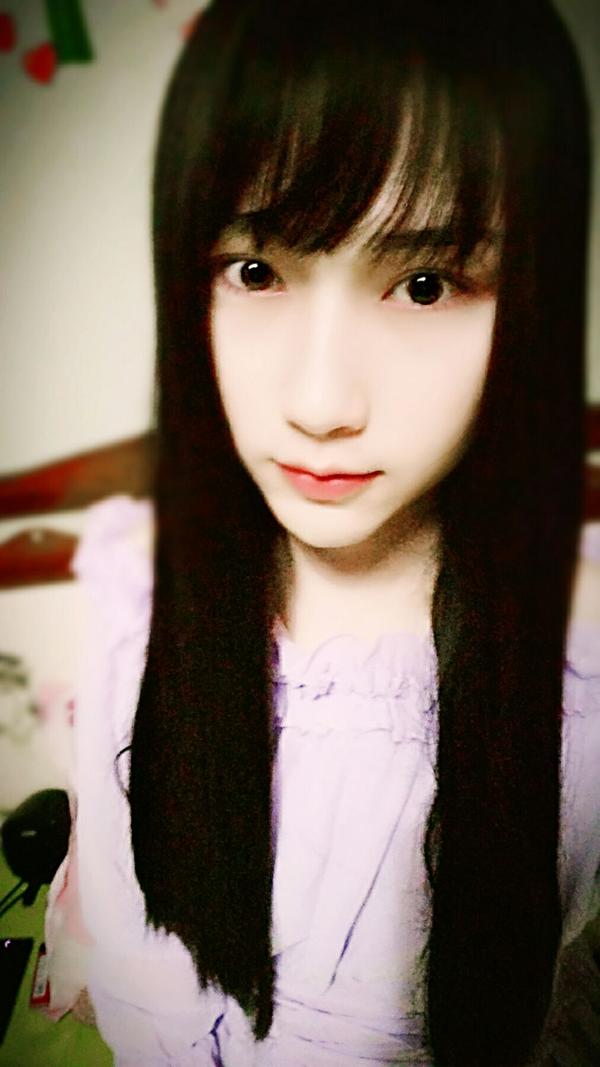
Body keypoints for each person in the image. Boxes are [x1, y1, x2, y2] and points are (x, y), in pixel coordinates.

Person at [45, 1, 600, 1064]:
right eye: (256, 271)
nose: (321, 402)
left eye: (425, 284)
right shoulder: (134, 585)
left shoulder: (579, 672)